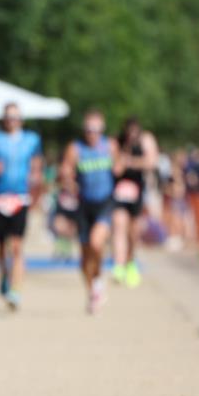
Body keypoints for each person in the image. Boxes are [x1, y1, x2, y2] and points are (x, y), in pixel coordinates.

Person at [0, 102, 43, 309]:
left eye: (15, 117)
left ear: (20, 119)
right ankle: (4, 275)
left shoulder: (32, 139)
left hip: (20, 198)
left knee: (17, 246)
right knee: (3, 246)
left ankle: (15, 290)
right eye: (8, 117)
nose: (11, 120)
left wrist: (37, 188)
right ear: (3, 119)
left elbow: (37, 165)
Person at [61, 109, 119, 313]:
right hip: (84, 204)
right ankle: (93, 292)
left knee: (97, 243)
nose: (91, 133)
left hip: (105, 201)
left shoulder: (110, 146)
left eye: (96, 130)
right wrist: (68, 180)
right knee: (84, 258)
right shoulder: (76, 148)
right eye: (88, 130)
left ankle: (99, 280)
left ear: (102, 130)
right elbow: (66, 170)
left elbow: (120, 168)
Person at [110, 117, 158, 288]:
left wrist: (130, 161)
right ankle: (119, 264)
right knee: (119, 226)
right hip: (119, 193)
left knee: (133, 232)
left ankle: (130, 262)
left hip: (137, 193)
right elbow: (114, 166)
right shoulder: (116, 141)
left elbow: (152, 161)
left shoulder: (146, 140)